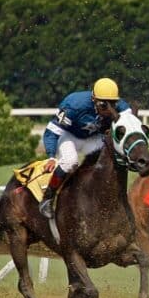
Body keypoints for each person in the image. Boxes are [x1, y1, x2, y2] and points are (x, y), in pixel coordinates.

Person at [39, 77, 132, 218]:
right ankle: (48, 199)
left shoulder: (119, 105)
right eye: (104, 104)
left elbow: (129, 119)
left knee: (113, 158)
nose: (109, 108)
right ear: (94, 100)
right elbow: (52, 131)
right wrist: (51, 156)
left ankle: (116, 197)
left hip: (93, 138)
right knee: (70, 162)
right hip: (70, 136)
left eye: (113, 103)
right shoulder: (74, 105)